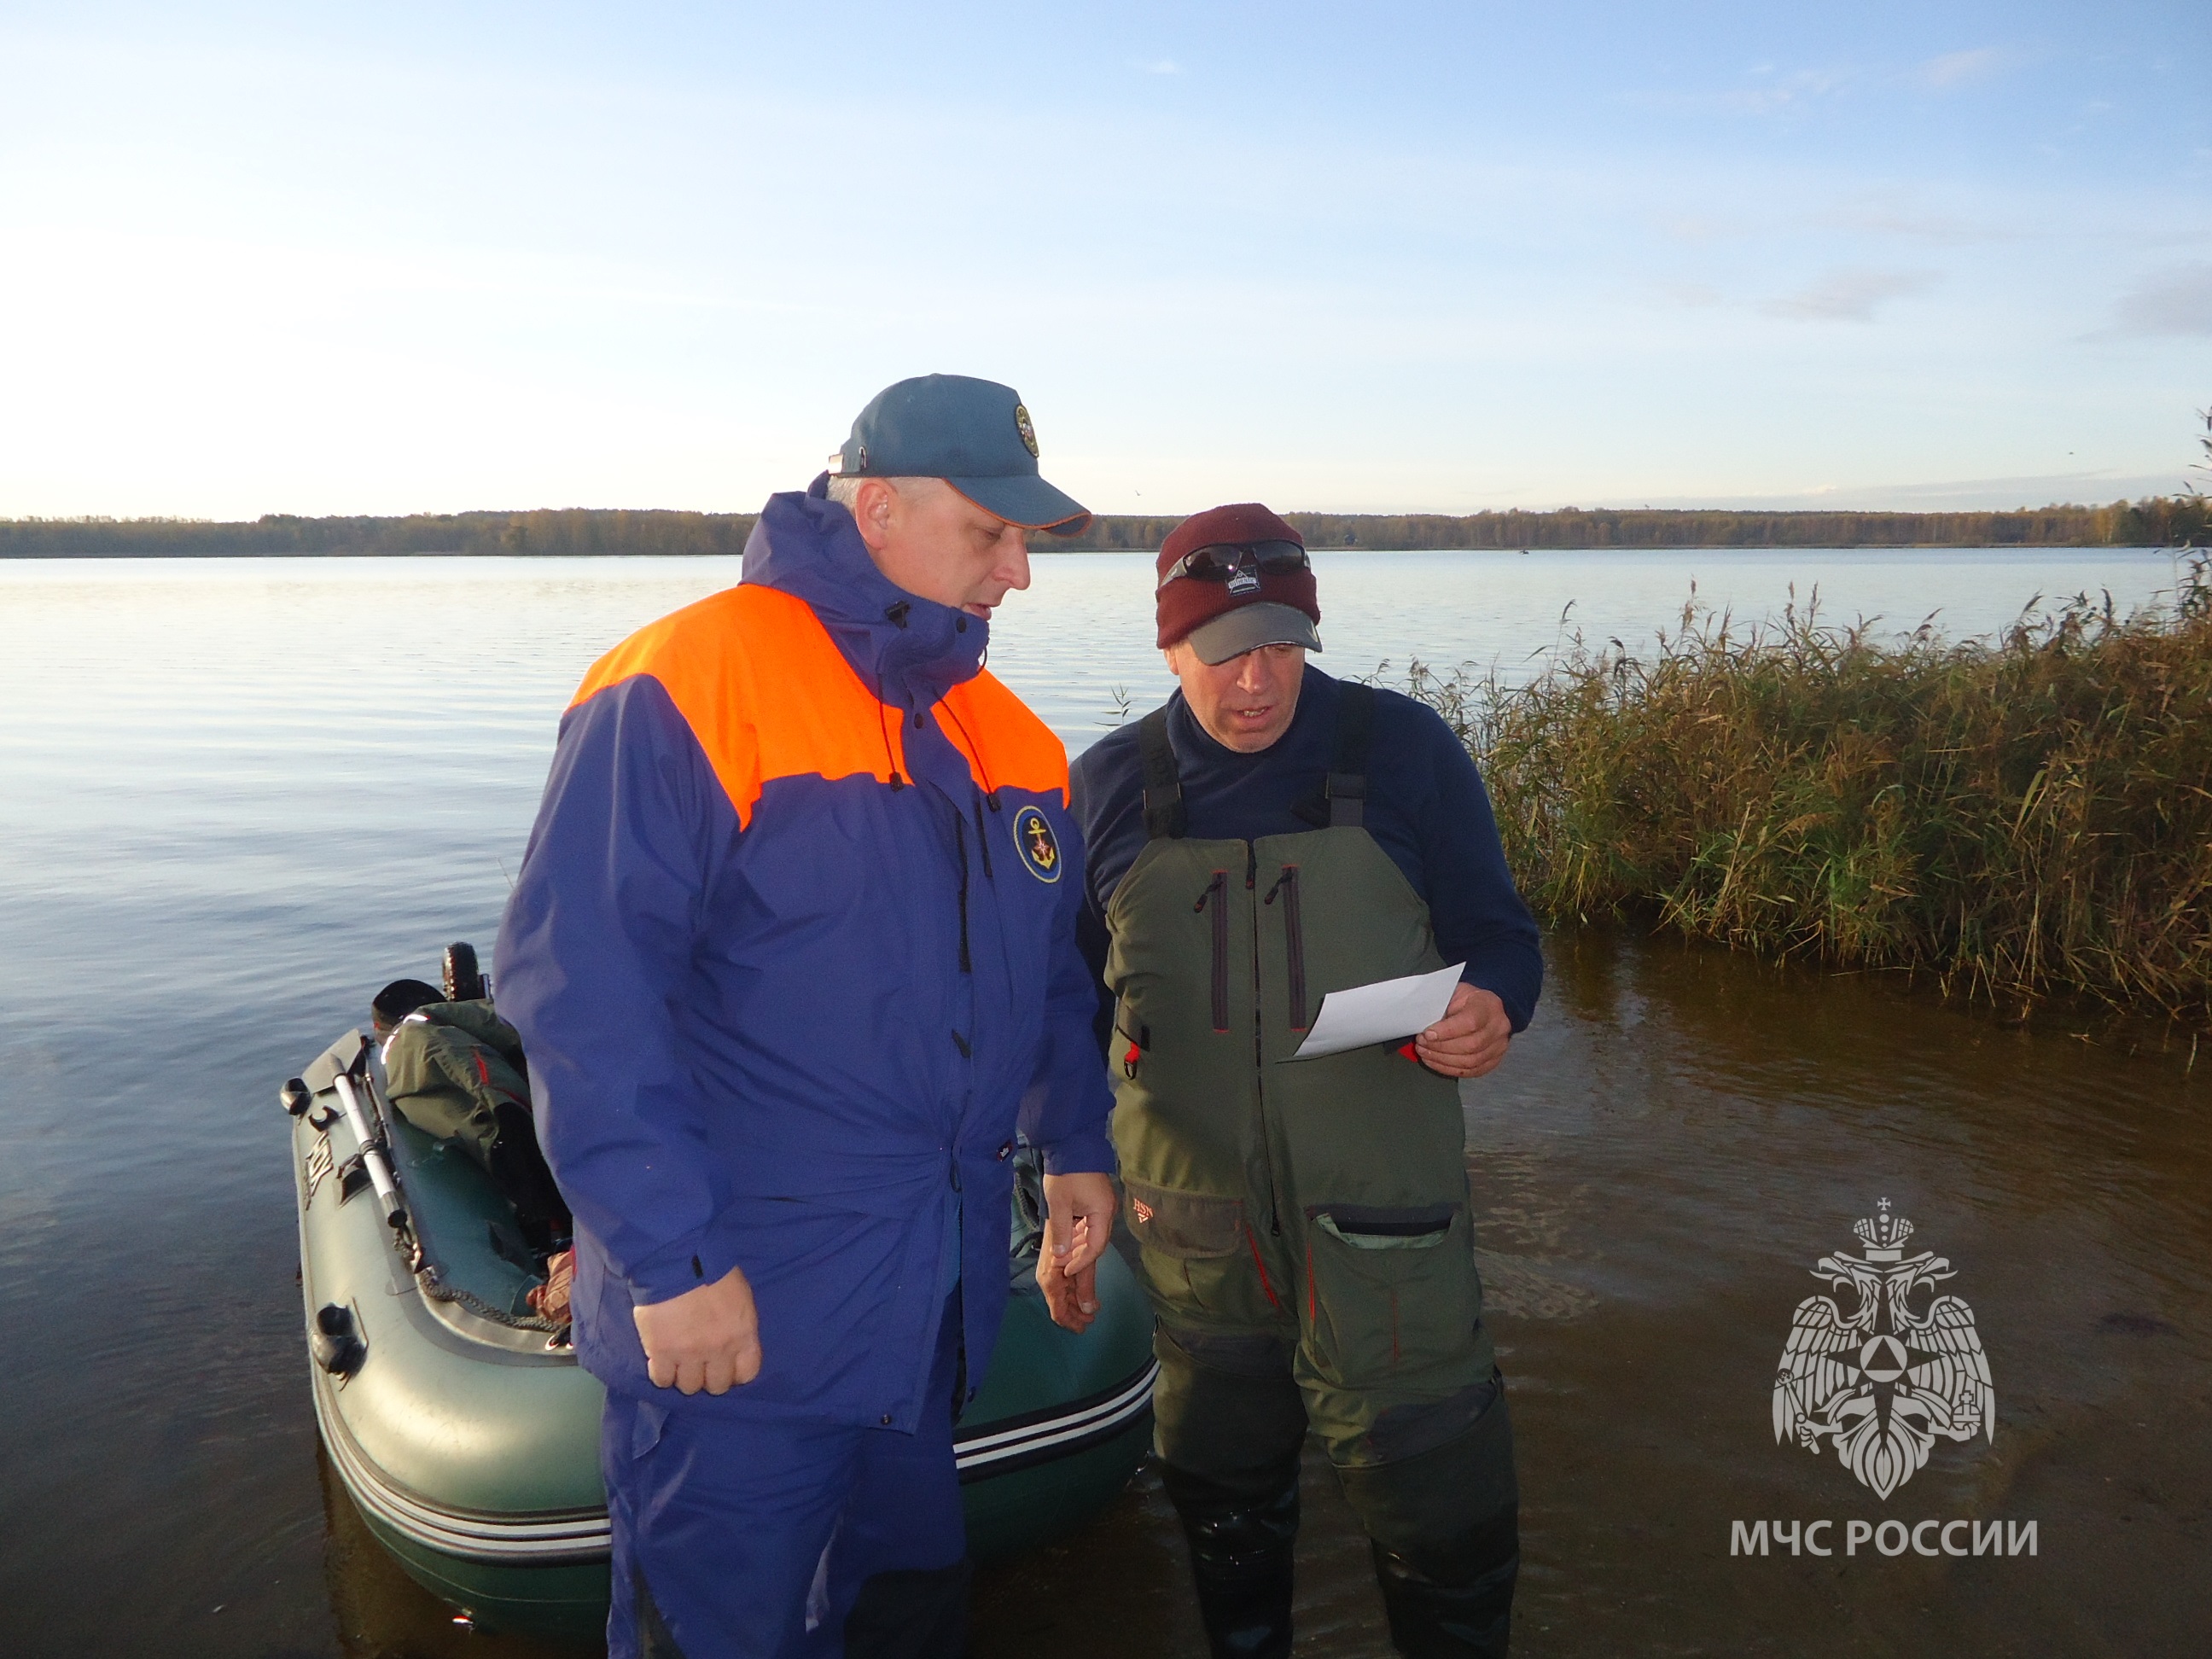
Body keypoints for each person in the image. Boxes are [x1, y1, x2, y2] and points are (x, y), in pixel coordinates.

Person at [493, 375, 1119, 1659]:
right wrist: (671, 1266)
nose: (1020, 572)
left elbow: (1051, 976)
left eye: (1025, 541)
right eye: (991, 534)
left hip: (925, 1320)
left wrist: (1078, 1145)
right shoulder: (686, 683)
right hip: (739, 1329)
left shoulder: (1014, 740)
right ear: (876, 506)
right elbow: (578, 991)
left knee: (906, 1619)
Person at [1070, 503, 1543, 1659]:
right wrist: (1061, 1171)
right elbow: (1060, 1017)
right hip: (1195, 1247)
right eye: (1226, 653)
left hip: (1393, 1238)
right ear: (1170, 647)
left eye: (1283, 644)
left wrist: (1494, 1008)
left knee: (1448, 1533)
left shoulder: (1403, 751)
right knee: (1228, 1525)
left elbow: (1501, 937)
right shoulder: (1104, 790)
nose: (1257, 682)